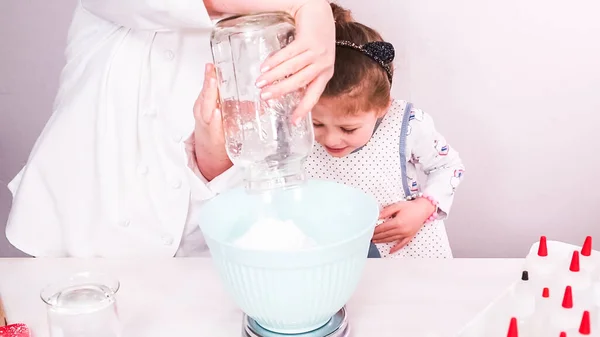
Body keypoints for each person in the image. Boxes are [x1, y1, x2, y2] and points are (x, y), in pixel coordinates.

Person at [5, 0, 335, 257]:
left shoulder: (259, 29)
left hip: (189, 257)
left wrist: (212, 154)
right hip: (78, 238)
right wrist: (307, 5)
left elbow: (225, 163)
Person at [303, 3, 466, 258]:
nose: (331, 138)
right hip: (332, 257)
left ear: (382, 107)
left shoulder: (407, 125)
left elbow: (448, 166)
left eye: (348, 128)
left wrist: (423, 207)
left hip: (405, 253)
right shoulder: (295, 124)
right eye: (317, 124)